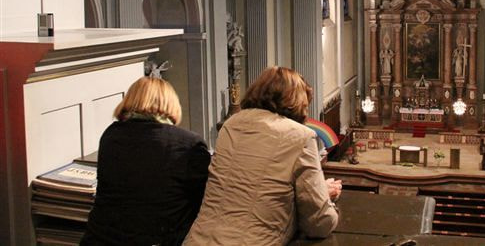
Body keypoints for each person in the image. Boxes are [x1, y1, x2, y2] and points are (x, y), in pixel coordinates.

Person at [184, 67, 341, 245]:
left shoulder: (231, 125)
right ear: (298, 102)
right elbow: (319, 223)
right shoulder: (300, 136)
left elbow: (247, 192)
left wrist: (317, 191)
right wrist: (322, 197)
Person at [82, 77, 210, 246]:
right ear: (171, 103)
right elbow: (205, 200)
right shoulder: (189, 144)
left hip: (99, 239)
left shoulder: (110, 136)